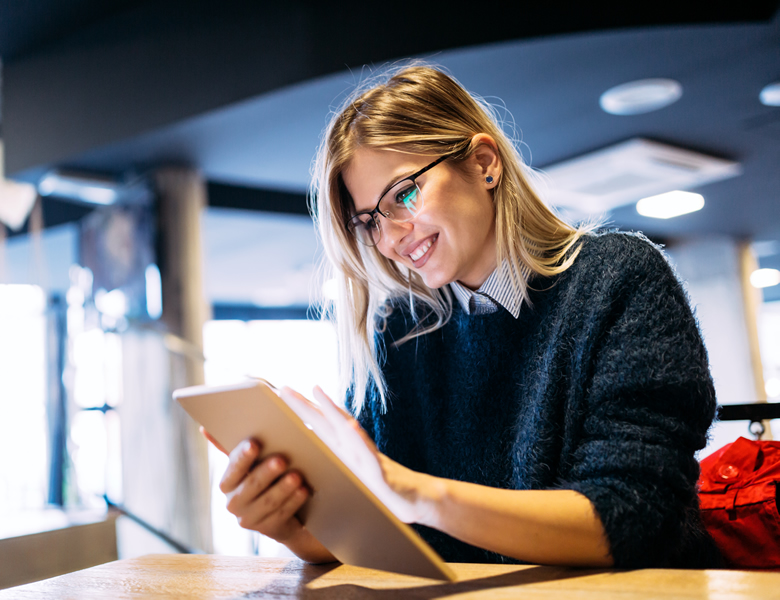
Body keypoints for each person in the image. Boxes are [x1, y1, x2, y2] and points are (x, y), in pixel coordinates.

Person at [212, 64, 722, 568]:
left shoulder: (618, 279)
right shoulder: (399, 330)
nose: (389, 239)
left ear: (483, 164)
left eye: (403, 195)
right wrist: (289, 523)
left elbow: (634, 517)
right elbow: (376, 537)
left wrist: (415, 493)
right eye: (368, 221)